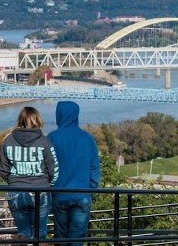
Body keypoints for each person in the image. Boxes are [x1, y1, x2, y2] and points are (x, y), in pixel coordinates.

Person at [0, 106, 59, 242]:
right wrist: (47, 184)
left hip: (16, 191)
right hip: (40, 191)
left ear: (20, 121)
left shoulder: (8, 141)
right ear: (38, 121)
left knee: (23, 234)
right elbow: (54, 169)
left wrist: (13, 181)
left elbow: (3, 170)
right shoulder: (44, 141)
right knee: (41, 234)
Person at [48, 101, 100, 246]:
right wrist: (91, 188)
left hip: (59, 194)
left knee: (61, 236)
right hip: (82, 194)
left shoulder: (52, 137)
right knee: (77, 237)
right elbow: (94, 167)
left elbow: (46, 167)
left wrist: (50, 188)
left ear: (59, 115)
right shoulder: (87, 138)